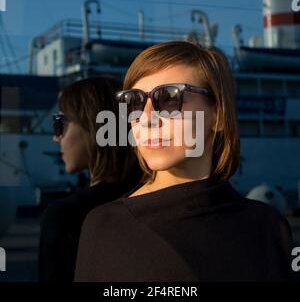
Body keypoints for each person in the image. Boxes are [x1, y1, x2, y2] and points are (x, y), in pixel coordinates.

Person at [74, 42, 297, 281]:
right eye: (133, 102)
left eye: (169, 98)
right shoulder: (105, 227)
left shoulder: (268, 227)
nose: (146, 119)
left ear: (218, 115)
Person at [39, 77, 142, 282]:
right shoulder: (154, 198)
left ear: (92, 126)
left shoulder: (65, 217)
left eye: (59, 123)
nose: (56, 137)